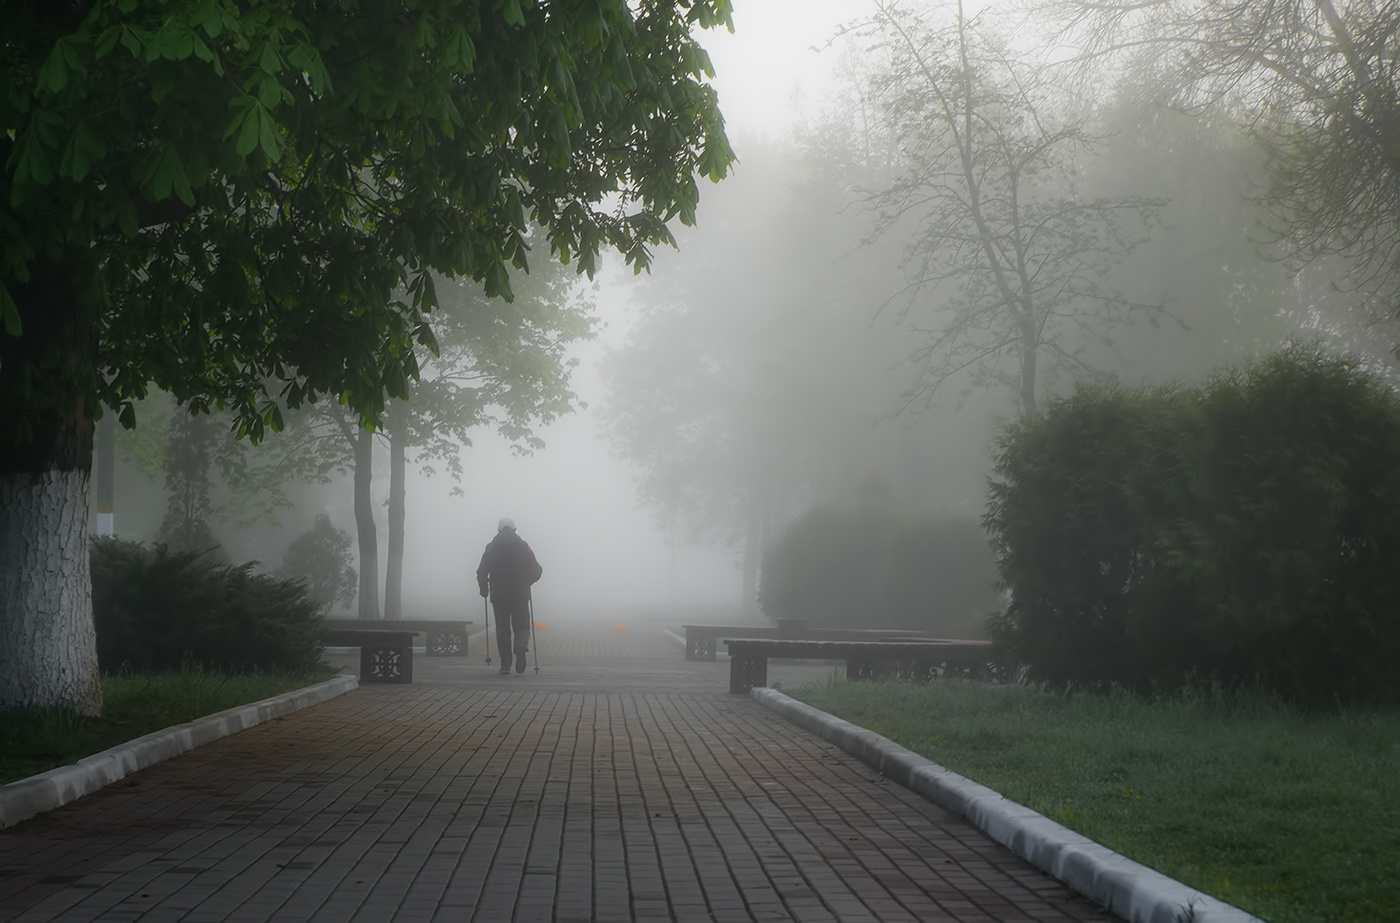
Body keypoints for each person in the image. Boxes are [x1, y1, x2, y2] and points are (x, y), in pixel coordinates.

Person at [476, 517, 543, 674]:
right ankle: (520, 648)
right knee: (522, 625)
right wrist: (529, 581)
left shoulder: (491, 548)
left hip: (499, 596)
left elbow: (482, 571)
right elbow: (537, 570)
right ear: (514, 529)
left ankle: (505, 665)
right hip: (520, 593)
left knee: (502, 630)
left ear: (498, 530)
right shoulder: (523, 547)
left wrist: (483, 589)